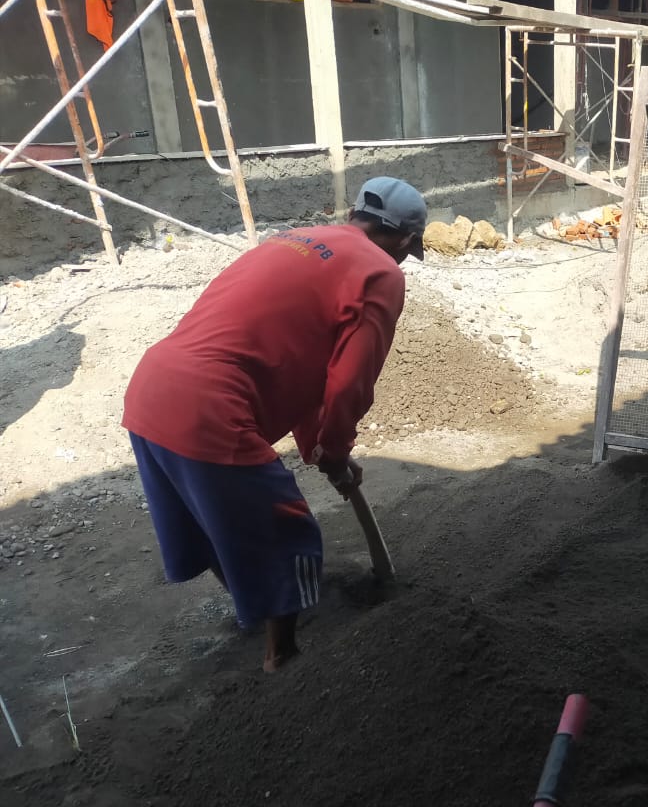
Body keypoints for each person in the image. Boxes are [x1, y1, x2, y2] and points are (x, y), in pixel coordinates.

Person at [122, 177, 427, 672]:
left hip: (152, 388)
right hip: (209, 404)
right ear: (407, 241)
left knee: (221, 525)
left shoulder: (293, 239)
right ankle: (282, 658)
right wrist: (333, 448)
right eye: (409, 253)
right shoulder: (380, 273)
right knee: (284, 530)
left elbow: (310, 373)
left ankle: (255, 617)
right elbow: (351, 381)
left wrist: (324, 451)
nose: (403, 263)